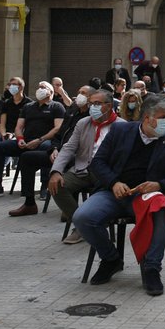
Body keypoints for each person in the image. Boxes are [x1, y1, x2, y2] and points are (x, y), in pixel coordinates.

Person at [73, 92, 165, 294]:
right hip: (114, 193)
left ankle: (152, 267)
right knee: (83, 217)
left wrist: (158, 185)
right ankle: (111, 258)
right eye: (162, 118)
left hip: (148, 196)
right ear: (147, 118)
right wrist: (114, 182)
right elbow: (98, 163)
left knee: (159, 211)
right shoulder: (120, 130)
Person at [49, 89, 121, 243]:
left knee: (103, 192)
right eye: (90, 104)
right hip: (83, 169)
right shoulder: (83, 123)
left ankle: (93, 225)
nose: (92, 107)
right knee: (57, 185)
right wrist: (56, 171)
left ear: (108, 106)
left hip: (107, 173)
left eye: (96, 104)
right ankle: (82, 225)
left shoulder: (122, 126)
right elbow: (68, 148)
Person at [0, 81, 64, 200]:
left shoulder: (56, 106)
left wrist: (40, 140)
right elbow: (19, 127)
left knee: (48, 149)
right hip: (25, 142)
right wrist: (20, 139)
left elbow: (58, 128)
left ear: (51, 92)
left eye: (43, 87)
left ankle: (44, 186)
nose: (40, 89)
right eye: (39, 87)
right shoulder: (28, 107)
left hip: (44, 142)